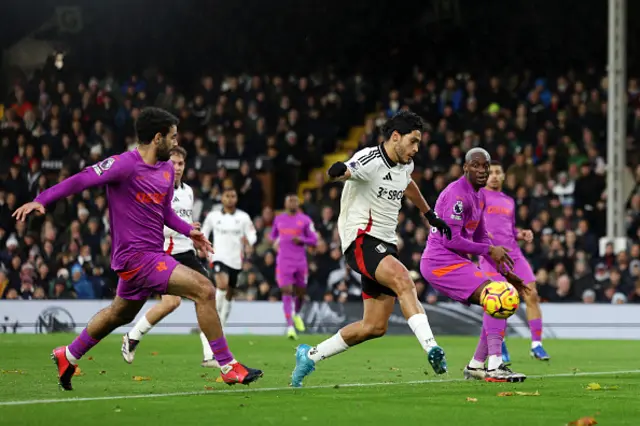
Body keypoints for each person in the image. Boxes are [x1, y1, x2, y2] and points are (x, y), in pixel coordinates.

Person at [13, 107, 262, 390]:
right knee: (205, 289)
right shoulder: (123, 164)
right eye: (173, 137)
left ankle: (68, 355)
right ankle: (228, 366)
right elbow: (82, 178)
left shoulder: (167, 169)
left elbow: (165, 212)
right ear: (157, 138)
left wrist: (188, 231)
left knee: (121, 314)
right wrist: (42, 199)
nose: (176, 143)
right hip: (135, 257)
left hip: (151, 254)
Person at [290, 111, 452, 388]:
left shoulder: (405, 165)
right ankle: (432, 348)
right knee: (404, 280)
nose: (416, 149)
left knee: (374, 327)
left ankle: (310, 356)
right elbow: (349, 169)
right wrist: (338, 171)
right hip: (361, 240)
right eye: (413, 142)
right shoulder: (370, 159)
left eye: (419, 144)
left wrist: (429, 214)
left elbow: (407, 184)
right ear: (395, 137)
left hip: (384, 245)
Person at [420, 148, 529, 383]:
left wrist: (507, 273)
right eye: (476, 165)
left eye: (485, 166)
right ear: (465, 168)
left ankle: (477, 365)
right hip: (440, 262)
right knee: (498, 295)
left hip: (455, 261)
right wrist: (490, 250)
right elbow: (452, 239)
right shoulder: (456, 196)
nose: (482, 170)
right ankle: (495, 366)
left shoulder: (478, 196)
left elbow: (481, 238)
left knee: (500, 294)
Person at [121, 146, 220, 367]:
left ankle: (210, 355)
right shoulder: (157, 188)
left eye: (180, 164)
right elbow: (157, 224)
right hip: (165, 252)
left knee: (206, 295)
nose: (176, 168)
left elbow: (186, 223)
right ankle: (132, 336)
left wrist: (194, 237)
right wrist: (184, 227)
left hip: (187, 252)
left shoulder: (188, 192)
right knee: (173, 302)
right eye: (173, 163)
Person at [480, 161, 550, 362]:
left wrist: (521, 233)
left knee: (532, 295)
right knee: (496, 301)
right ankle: (499, 346)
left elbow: (508, 230)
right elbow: (472, 223)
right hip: (490, 255)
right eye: (490, 172)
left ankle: (536, 345)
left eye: (497, 172)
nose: (493, 175)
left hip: (514, 255)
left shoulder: (509, 201)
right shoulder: (479, 196)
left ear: (503, 176)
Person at [200, 187, 257, 366]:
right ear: (222, 198)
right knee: (222, 285)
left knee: (230, 293)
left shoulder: (243, 217)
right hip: (218, 257)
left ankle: (221, 322)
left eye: (233, 196)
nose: (230, 199)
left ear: (236, 198)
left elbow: (252, 234)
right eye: (227, 196)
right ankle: (214, 317)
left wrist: (250, 242)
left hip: (235, 261)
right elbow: (204, 232)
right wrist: (203, 247)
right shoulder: (213, 216)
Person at [269, 194, 318, 340]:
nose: (292, 203)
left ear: (298, 203)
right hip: (284, 261)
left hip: (300, 262)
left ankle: (296, 313)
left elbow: (314, 239)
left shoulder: (305, 220)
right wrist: (274, 243)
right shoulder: (278, 219)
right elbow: (273, 236)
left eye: (294, 201)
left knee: (301, 293)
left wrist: (302, 239)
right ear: (285, 203)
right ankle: (290, 326)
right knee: (287, 291)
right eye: (289, 200)